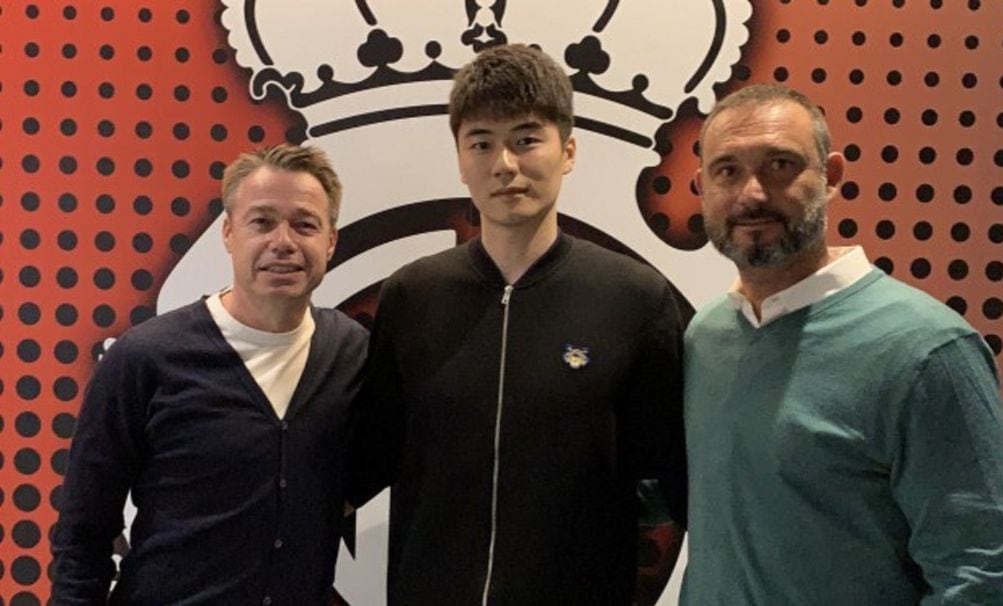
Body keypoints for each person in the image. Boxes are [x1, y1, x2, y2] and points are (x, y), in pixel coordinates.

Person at [352, 44, 686, 605]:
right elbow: (369, 458)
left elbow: (671, 481)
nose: (504, 163)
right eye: (481, 142)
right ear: (460, 160)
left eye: (526, 139)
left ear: (569, 150)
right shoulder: (412, 295)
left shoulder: (635, 299)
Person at [681, 83, 1003, 605]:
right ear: (700, 187)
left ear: (831, 176)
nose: (751, 194)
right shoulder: (707, 337)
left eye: (780, 165)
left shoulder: (928, 350)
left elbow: (972, 578)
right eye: (727, 170)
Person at [52, 144, 369, 604]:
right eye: (261, 222)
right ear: (228, 233)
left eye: (305, 224)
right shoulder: (145, 358)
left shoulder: (352, 351)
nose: (283, 241)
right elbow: (83, 533)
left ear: (331, 241)